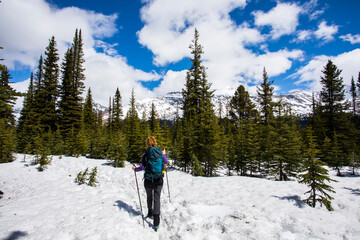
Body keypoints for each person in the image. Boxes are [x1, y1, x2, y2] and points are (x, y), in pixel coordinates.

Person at [132, 136, 168, 231]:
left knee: (149, 197)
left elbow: (142, 167)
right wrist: (164, 154)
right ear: (155, 143)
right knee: (157, 199)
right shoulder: (160, 152)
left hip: (148, 179)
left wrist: (135, 169)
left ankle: (150, 213)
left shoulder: (146, 153)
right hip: (158, 179)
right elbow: (166, 162)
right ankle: (156, 222)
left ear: (147, 143)